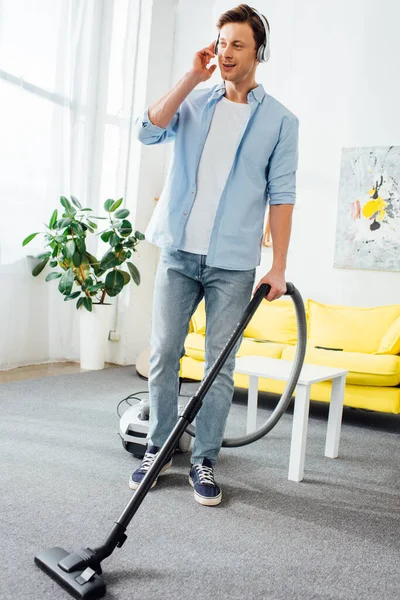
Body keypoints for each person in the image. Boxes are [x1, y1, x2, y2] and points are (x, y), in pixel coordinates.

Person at [129, 3, 299, 506]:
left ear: (258, 53)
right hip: (180, 253)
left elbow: (283, 195)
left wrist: (280, 266)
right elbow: (148, 129)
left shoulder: (280, 122)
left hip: (233, 262)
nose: (226, 52)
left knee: (219, 368)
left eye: (237, 44)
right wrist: (189, 75)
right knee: (164, 354)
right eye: (221, 42)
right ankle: (158, 448)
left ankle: (203, 459)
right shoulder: (194, 101)